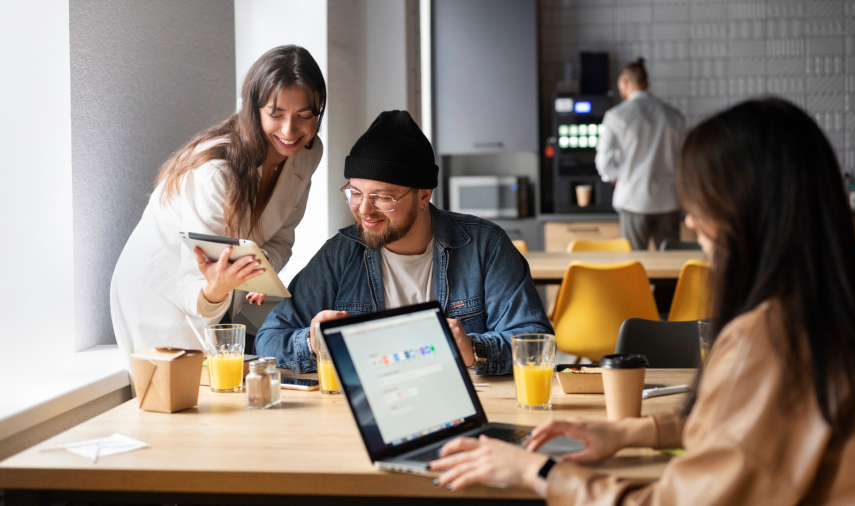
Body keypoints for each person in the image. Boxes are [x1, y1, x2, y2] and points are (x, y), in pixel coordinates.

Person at [429, 98, 855, 503]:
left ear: (748, 209)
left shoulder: (767, 338)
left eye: (702, 203)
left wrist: (538, 472)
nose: (692, 224)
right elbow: (758, 428)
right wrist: (631, 432)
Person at [255, 110, 551, 375]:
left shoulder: (485, 246)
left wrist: (474, 350)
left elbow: (534, 339)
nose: (364, 210)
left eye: (383, 197)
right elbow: (268, 340)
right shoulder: (340, 254)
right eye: (355, 193)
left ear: (423, 196)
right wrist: (311, 342)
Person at [110, 45, 326, 367]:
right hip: (163, 292)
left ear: (319, 110)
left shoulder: (308, 153)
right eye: (276, 114)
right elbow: (193, 280)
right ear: (254, 110)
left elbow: (283, 238)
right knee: (180, 400)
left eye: (304, 116)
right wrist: (219, 286)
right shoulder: (216, 173)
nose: (289, 131)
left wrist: (257, 266)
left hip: (226, 292)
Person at [595, 57, 686, 250]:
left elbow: (604, 161)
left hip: (633, 200)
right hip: (668, 202)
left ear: (624, 83)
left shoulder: (616, 116)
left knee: (634, 265)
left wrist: (616, 177)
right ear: (646, 83)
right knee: (670, 264)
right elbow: (684, 159)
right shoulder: (674, 116)